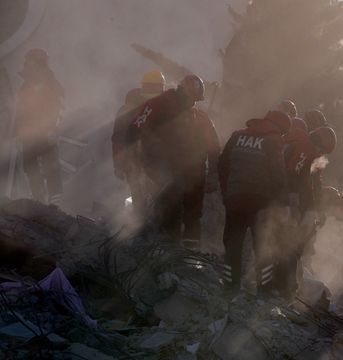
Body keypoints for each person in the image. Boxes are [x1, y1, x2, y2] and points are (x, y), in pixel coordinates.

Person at [129, 74, 220, 247]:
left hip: (194, 174)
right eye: (190, 98)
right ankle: (168, 252)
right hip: (166, 170)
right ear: (182, 92)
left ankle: (189, 259)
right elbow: (135, 130)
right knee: (170, 208)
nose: (192, 103)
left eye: (195, 100)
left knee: (193, 215)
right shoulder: (158, 105)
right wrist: (141, 160)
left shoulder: (200, 118)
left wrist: (213, 172)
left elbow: (214, 147)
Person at [218, 110, 291, 294]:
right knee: (263, 247)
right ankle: (264, 290)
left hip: (235, 199)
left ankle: (230, 286)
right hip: (261, 203)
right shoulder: (273, 141)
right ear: (280, 128)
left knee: (232, 245)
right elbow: (278, 176)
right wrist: (281, 205)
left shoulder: (237, 136)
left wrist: (227, 193)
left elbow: (222, 165)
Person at [274, 122, 337, 298]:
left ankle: (279, 284)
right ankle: (285, 288)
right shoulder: (304, 150)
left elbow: (310, 184)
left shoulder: (294, 143)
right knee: (291, 245)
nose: (321, 156)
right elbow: (300, 182)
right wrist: (309, 209)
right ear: (318, 143)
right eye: (322, 151)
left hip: (279, 198)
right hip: (285, 202)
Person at [111, 70, 166, 218]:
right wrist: (119, 164)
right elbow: (118, 138)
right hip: (138, 161)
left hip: (153, 161)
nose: (154, 91)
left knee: (149, 197)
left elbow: (117, 138)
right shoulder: (160, 108)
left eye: (156, 88)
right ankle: (141, 225)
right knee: (143, 197)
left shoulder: (164, 108)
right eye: (151, 87)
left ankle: (143, 224)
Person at [14, 49, 64, 206]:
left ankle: (55, 199)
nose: (25, 64)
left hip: (44, 131)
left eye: (28, 60)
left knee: (50, 165)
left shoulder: (51, 84)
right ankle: (38, 198)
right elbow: (21, 111)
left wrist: (51, 128)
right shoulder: (25, 86)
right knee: (30, 165)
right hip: (28, 134)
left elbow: (58, 108)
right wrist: (18, 132)